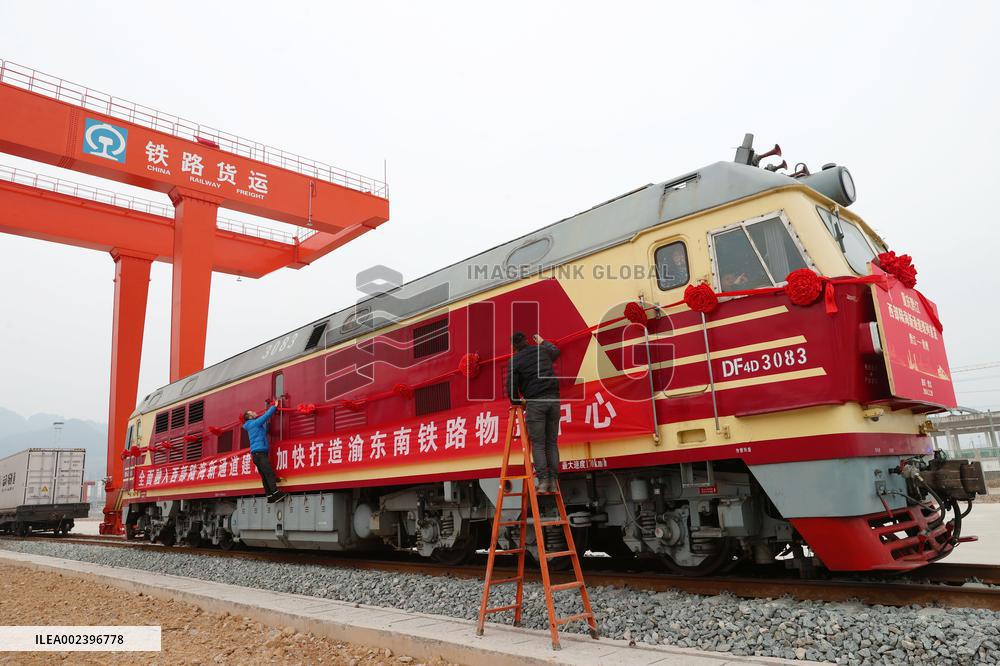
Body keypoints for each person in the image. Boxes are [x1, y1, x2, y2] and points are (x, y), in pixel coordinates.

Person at [507, 332, 562, 492]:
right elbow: (556, 352)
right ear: (526, 340)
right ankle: (553, 481)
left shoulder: (515, 360)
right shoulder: (542, 350)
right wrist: (543, 341)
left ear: (514, 347)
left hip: (536, 403)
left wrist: (518, 402)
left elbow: (511, 388)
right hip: (553, 400)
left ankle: (544, 482)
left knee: (538, 444)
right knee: (551, 442)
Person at [243, 400, 286, 503]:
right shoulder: (254, 423)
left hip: (256, 454)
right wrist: (274, 406)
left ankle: (270, 497)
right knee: (269, 473)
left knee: (264, 476)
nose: (254, 412)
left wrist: (268, 426)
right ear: (249, 416)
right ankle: (275, 493)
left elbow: (263, 431)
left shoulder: (252, 426)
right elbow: (266, 416)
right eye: (252, 412)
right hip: (260, 453)